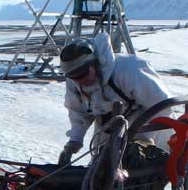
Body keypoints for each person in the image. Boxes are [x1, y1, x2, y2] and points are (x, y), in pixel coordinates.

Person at [57, 33, 172, 166]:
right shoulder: (75, 81)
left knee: (138, 169)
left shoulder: (130, 71)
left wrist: (142, 138)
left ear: (95, 63)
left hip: (144, 124)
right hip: (108, 126)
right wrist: (74, 140)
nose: (80, 81)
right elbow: (78, 112)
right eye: (73, 77)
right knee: (100, 171)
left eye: (83, 74)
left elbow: (162, 106)